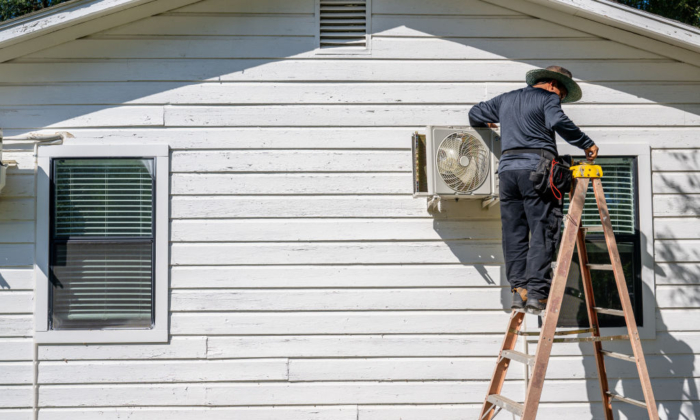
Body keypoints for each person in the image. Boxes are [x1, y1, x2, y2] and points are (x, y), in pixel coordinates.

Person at [468, 65, 599, 313]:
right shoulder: (548, 98)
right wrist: (586, 142)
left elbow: (475, 112)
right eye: (561, 94)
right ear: (552, 84)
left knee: (514, 233)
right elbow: (558, 120)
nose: (560, 99)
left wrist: (488, 121)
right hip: (537, 172)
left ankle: (520, 291)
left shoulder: (506, 99)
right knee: (542, 230)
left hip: (507, 173)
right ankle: (538, 295)